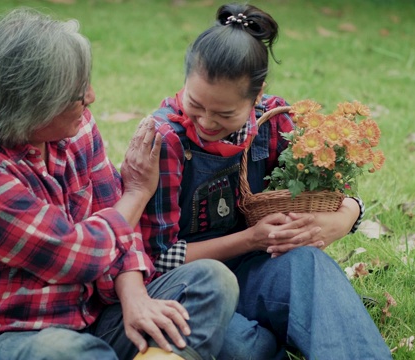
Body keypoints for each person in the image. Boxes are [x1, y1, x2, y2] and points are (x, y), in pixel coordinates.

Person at [0, 8, 239, 360]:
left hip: (94, 317)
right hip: (10, 336)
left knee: (211, 282)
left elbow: (121, 231)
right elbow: (76, 255)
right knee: (67, 353)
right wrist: (138, 193)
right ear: (34, 105)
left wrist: (136, 297)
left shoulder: (76, 129)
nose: (91, 97)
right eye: (78, 94)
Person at [138, 3, 393, 359]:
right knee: (249, 347)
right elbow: (157, 259)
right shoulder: (166, 140)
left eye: (225, 113)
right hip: (188, 289)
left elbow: (337, 194)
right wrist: (251, 238)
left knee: (309, 266)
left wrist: (347, 214)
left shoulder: (273, 123)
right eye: (195, 104)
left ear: (257, 97)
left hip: (256, 273)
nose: (206, 122)